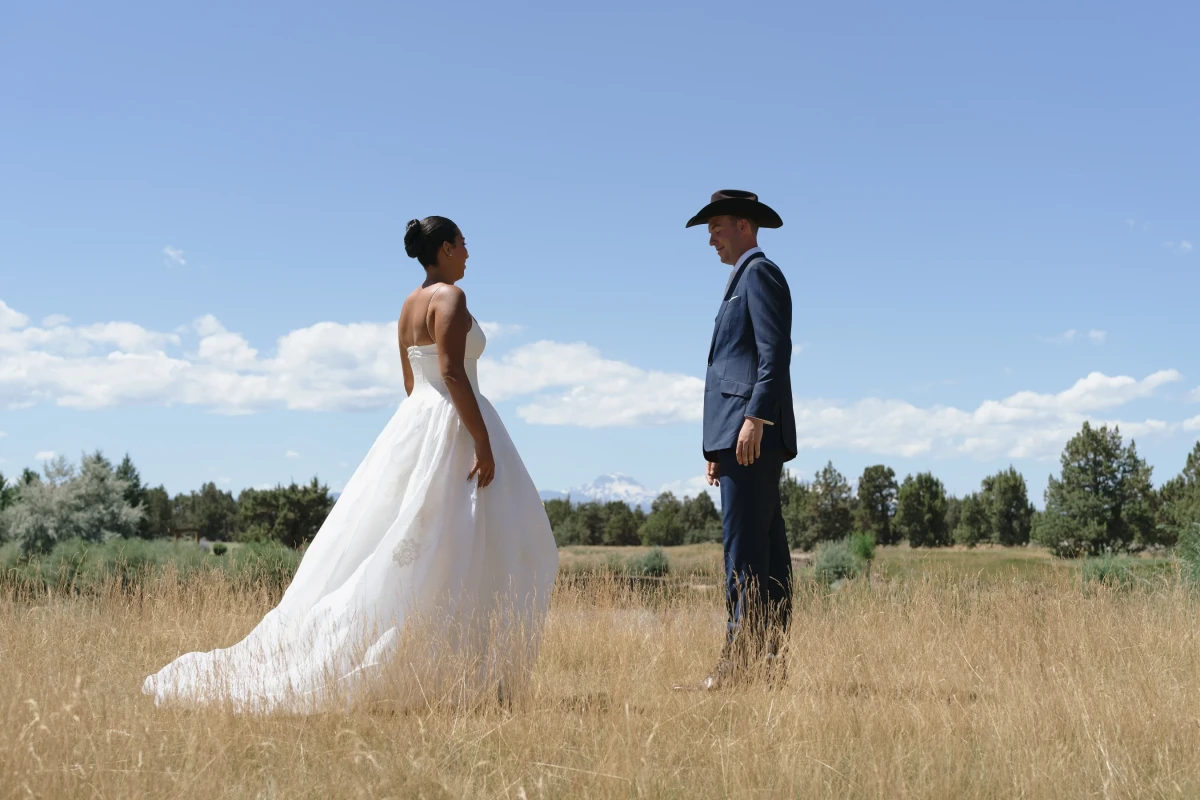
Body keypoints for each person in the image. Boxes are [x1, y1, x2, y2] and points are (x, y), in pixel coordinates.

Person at [143, 216, 559, 712]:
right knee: (491, 542)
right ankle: (467, 678)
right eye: (463, 244)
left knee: (429, 545)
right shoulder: (450, 297)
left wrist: (421, 428)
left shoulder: (408, 305)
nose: (469, 253)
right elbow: (451, 371)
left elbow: (411, 382)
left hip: (418, 418)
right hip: (453, 420)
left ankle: (451, 674)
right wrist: (481, 440)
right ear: (446, 249)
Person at [683, 190, 797, 690]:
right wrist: (719, 443)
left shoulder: (759, 274)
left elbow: (774, 354)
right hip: (739, 438)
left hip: (752, 434)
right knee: (763, 552)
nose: (711, 239)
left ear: (744, 226)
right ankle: (766, 664)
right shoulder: (742, 278)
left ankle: (740, 665)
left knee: (745, 554)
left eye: (717, 227)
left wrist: (753, 419)